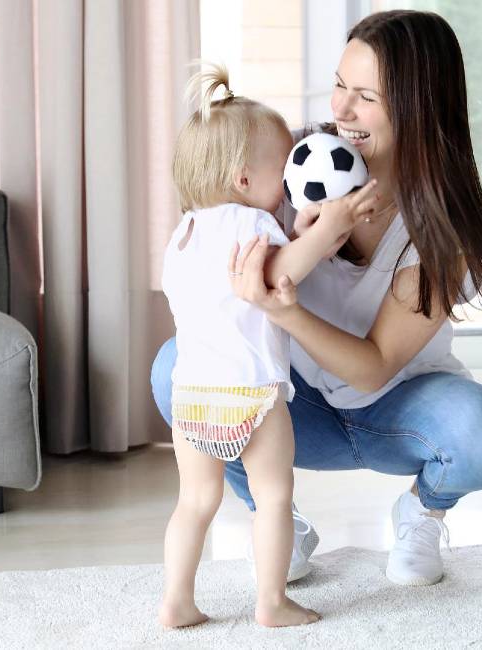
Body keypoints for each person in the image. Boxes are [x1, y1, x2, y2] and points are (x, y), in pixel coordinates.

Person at [152, 9, 482, 591]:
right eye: (340, 85)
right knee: (177, 368)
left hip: (395, 414)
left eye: (365, 97)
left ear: (418, 107)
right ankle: (275, 519)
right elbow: (211, 223)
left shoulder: (441, 233)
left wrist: (285, 308)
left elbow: (373, 369)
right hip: (290, 404)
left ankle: (423, 513)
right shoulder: (294, 158)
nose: (341, 110)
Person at [158, 62, 378, 629]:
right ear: (243, 181)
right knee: (275, 499)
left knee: (195, 503)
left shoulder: (184, 233)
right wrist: (331, 228)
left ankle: (177, 601)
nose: (292, 180)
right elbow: (279, 276)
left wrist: (301, 235)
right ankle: (271, 602)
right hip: (251, 396)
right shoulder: (249, 225)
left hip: (192, 398)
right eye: (284, 169)